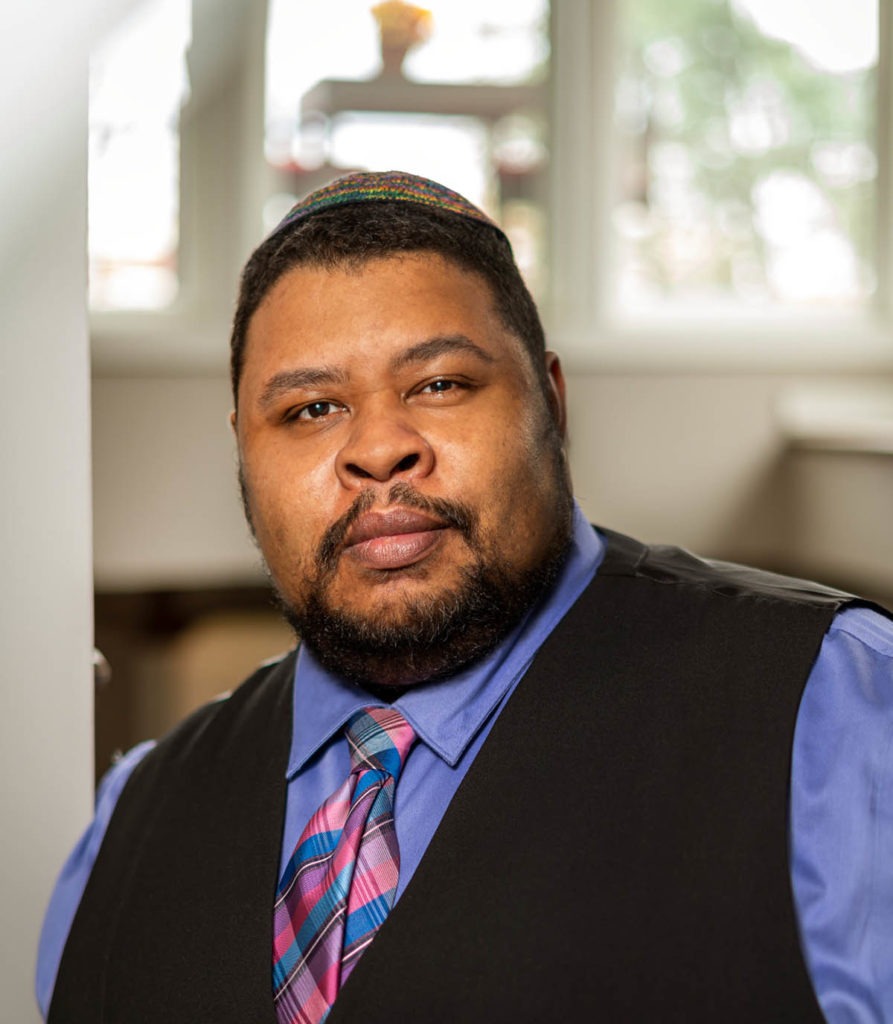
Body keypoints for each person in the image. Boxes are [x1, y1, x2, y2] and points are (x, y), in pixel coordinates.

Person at [37, 170, 893, 1023]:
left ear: (549, 405)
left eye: (439, 384)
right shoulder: (133, 818)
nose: (377, 448)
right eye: (309, 409)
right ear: (243, 456)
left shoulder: (832, 709)